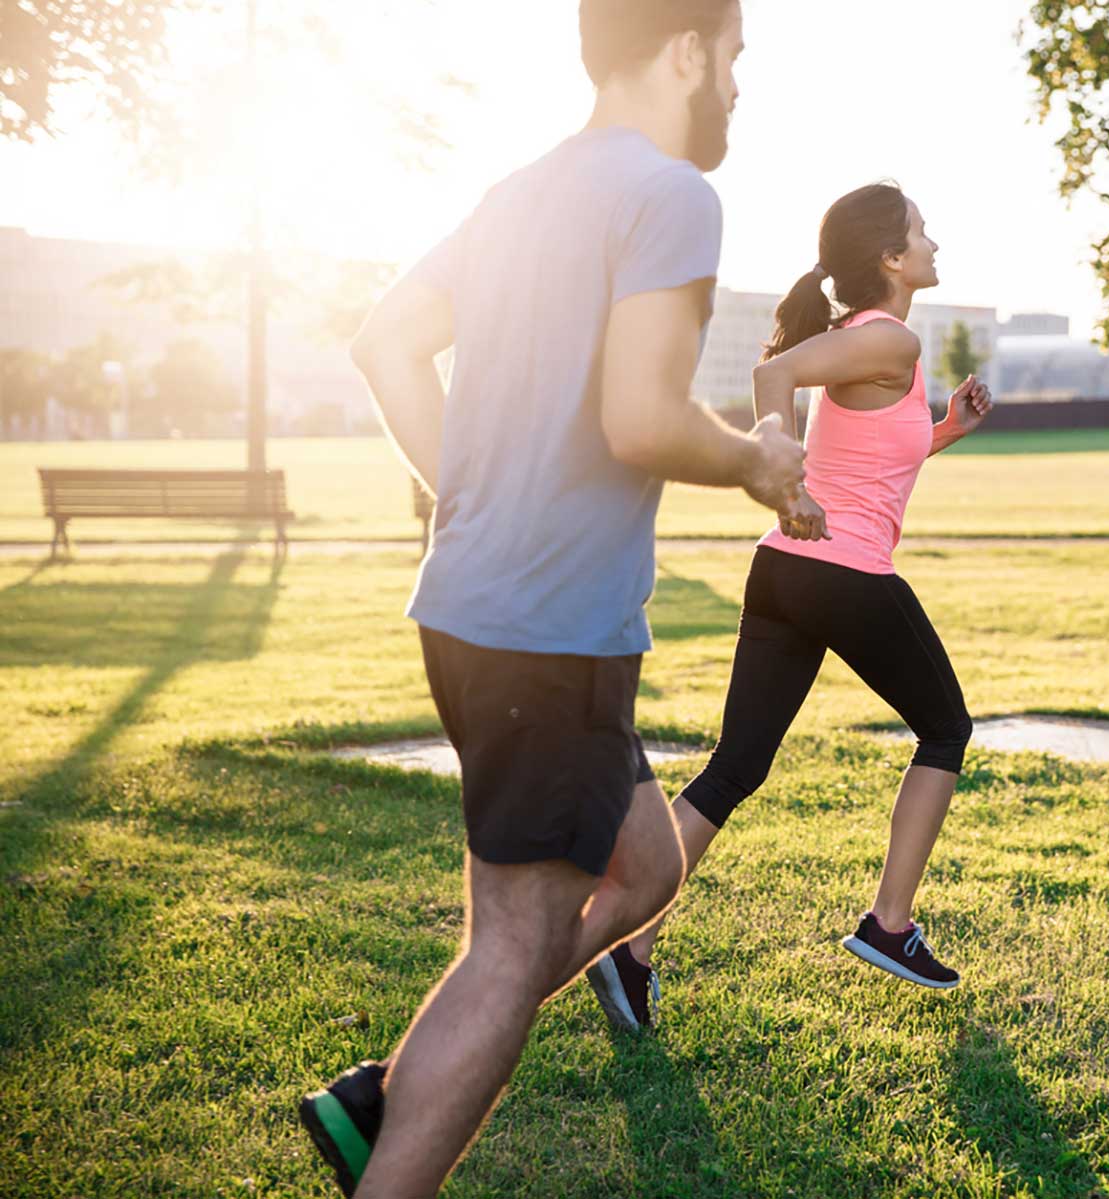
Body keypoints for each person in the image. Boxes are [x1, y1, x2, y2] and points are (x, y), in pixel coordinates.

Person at [297, 3, 805, 1195]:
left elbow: (384, 346)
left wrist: (470, 497)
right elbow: (641, 414)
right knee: (515, 939)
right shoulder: (674, 191)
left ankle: (386, 1092)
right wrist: (754, 461)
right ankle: (394, 1140)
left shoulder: (518, 192)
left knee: (645, 870)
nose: (738, 87)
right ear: (687, 51)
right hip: (547, 638)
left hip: (475, 616)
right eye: (735, 61)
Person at [586, 182, 994, 1031]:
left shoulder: (869, 343)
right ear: (890, 258)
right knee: (946, 729)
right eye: (920, 231)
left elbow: (877, 458)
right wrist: (778, 468)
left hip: (785, 573)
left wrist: (948, 426)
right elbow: (774, 372)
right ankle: (890, 924)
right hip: (842, 573)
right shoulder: (891, 334)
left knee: (736, 767)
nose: (932, 241)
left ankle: (629, 952)